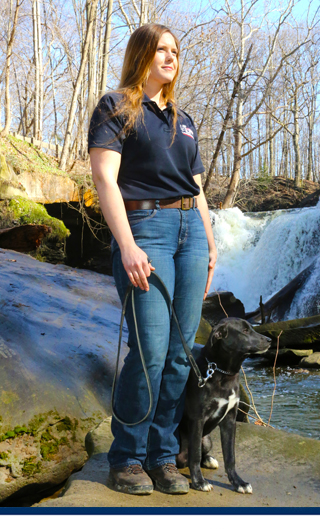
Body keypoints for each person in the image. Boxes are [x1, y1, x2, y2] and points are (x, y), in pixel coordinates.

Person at [88, 23, 217, 495]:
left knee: (182, 357)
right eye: (162, 49)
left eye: (176, 51)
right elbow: (105, 180)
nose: (171, 57)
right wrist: (127, 245)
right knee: (149, 354)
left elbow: (196, 187)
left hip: (189, 234)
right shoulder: (116, 107)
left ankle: (163, 457)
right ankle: (125, 458)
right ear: (142, 54)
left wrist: (209, 241)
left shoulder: (184, 118)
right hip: (146, 230)